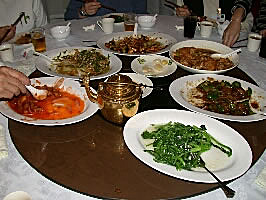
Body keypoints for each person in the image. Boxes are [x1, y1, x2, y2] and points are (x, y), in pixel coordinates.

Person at [64, 0, 147, 20]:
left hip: (128, 35)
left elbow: (141, 14)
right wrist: (83, 12)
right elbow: (68, 16)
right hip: (93, 38)